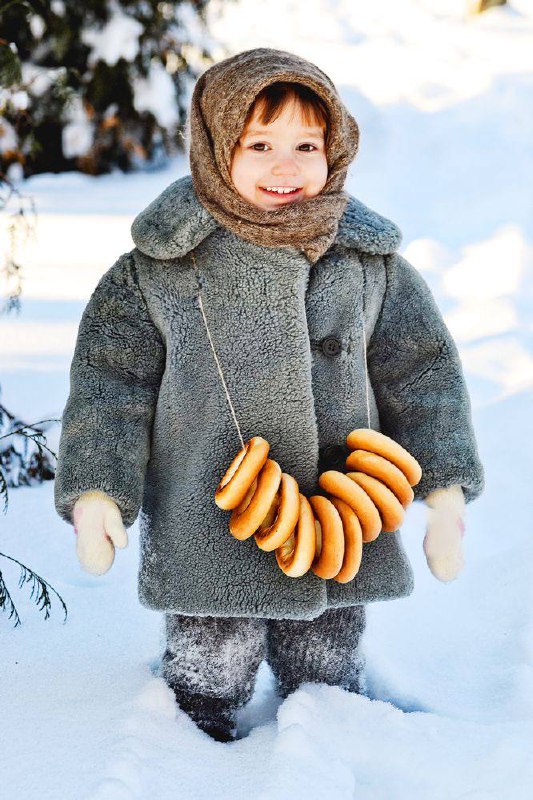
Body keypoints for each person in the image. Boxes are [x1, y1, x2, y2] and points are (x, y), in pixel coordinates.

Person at [54, 48, 484, 743]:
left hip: (339, 512)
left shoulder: (370, 263)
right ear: (216, 146)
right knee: (208, 669)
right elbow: (111, 387)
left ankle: (330, 744)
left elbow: (423, 376)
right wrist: (99, 491)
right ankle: (192, 757)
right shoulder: (160, 267)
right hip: (209, 516)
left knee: (327, 666)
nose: (285, 167)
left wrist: (442, 494)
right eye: (259, 145)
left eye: (306, 146)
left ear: (335, 149)